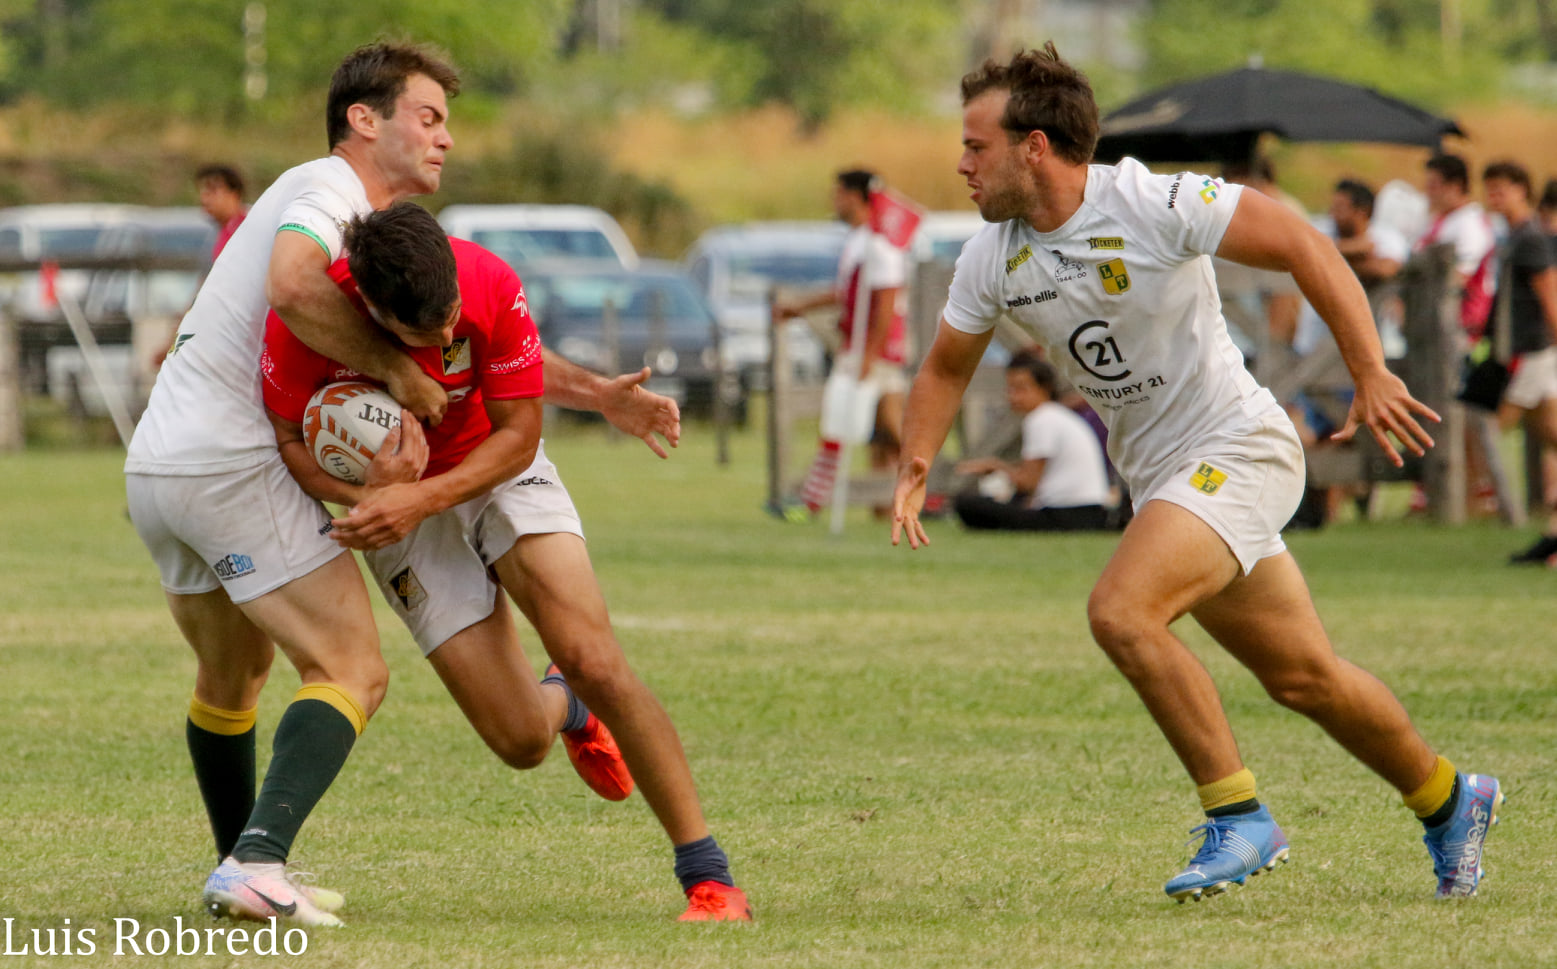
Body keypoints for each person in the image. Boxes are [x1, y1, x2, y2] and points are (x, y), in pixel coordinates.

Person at [890, 44, 1501, 902]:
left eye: (975, 146)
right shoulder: (993, 256)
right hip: (1163, 479)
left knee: (1121, 611)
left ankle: (1237, 815)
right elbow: (945, 366)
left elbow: (1302, 245)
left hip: (1238, 448)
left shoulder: (1149, 199)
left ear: (1034, 146)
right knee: (1305, 678)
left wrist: (1368, 368)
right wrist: (917, 461)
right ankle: (1449, 797)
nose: (960, 163)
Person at [124, 42, 682, 928]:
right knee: (349, 666)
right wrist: (401, 377)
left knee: (233, 677)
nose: (445, 137)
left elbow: (462, 344)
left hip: (158, 463)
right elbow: (293, 281)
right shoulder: (327, 192)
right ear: (364, 120)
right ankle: (257, 864)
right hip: (232, 459)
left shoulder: (375, 232)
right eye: (428, 116)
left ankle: (242, 863)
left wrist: (588, 392)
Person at [261, 203, 751, 920]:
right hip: (397, 507)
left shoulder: (487, 280)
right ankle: (565, 706)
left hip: (496, 467)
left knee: (593, 655)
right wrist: (360, 497)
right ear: (372, 313)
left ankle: (710, 878)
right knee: (522, 740)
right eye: (428, 334)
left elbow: (520, 434)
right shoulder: (308, 323)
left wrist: (422, 497)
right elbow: (288, 441)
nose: (449, 332)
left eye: (452, 315)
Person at [774, 169, 911, 515]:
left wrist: (868, 353)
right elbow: (850, 293)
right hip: (866, 348)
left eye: (838, 194)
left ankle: (812, 502)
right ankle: (914, 494)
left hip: (871, 350)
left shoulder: (879, 245)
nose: (834, 202)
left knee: (841, 419)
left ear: (854, 196)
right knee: (888, 431)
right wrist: (800, 307)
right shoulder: (859, 241)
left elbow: (885, 301)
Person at [1480, 162, 1557, 565]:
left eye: (1501, 190)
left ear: (1521, 190)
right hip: (1526, 351)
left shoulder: (1530, 239)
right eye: (1489, 190)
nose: (1495, 198)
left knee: (1491, 425)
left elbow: (1549, 294)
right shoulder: (1514, 236)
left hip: (1533, 352)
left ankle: (1506, 508)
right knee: (1550, 433)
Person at [952, 349, 1110, 531]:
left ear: (1044, 388)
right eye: (1010, 389)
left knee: (966, 503)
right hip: (1089, 510)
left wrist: (995, 467)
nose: (1013, 396)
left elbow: (1028, 483)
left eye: (1021, 389)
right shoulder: (1057, 415)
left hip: (1067, 513)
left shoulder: (1041, 419)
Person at [195, 164, 249, 259]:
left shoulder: (246, 229)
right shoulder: (223, 230)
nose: (204, 198)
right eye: (203, 191)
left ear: (234, 194)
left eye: (212, 190)